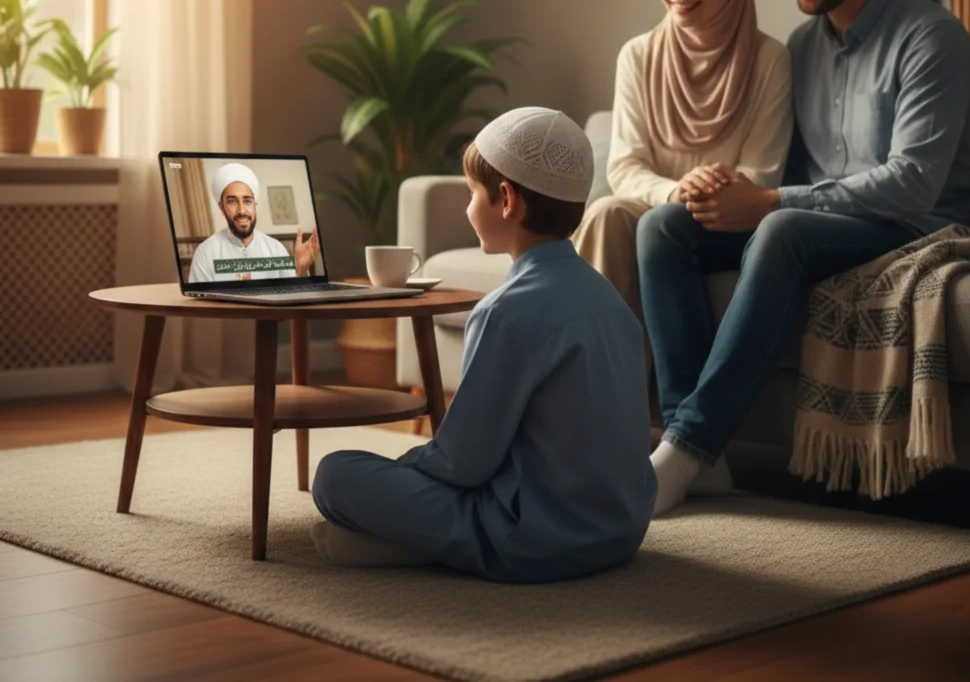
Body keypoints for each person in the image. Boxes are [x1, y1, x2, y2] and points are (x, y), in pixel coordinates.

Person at [638, 0, 970, 516]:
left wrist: (769, 201)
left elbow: (912, 183)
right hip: (825, 223)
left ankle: (686, 447)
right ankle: (698, 455)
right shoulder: (800, 47)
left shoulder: (930, 36)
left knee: (782, 228)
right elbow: (789, 164)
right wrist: (728, 187)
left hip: (913, 225)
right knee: (665, 227)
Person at [311, 107, 656, 582]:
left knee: (335, 474)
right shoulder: (613, 304)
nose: (467, 207)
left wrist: (404, 471)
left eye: (473, 193)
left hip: (532, 541)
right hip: (621, 533)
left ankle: (410, 545)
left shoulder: (504, 312)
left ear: (507, 200)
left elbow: (462, 463)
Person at [574, 0, 792, 320]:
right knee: (606, 213)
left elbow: (763, 174)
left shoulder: (769, 59)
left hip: (727, 222)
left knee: (652, 225)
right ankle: (595, 374)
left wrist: (702, 195)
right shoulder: (638, 55)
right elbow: (625, 167)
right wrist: (675, 192)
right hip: (652, 208)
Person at [187, 161, 319, 283]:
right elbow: (200, 305)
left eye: (247, 201)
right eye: (232, 201)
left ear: (255, 206)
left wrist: (301, 269)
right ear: (222, 208)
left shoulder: (276, 249)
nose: (242, 210)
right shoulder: (205, 253)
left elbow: (293, 297)